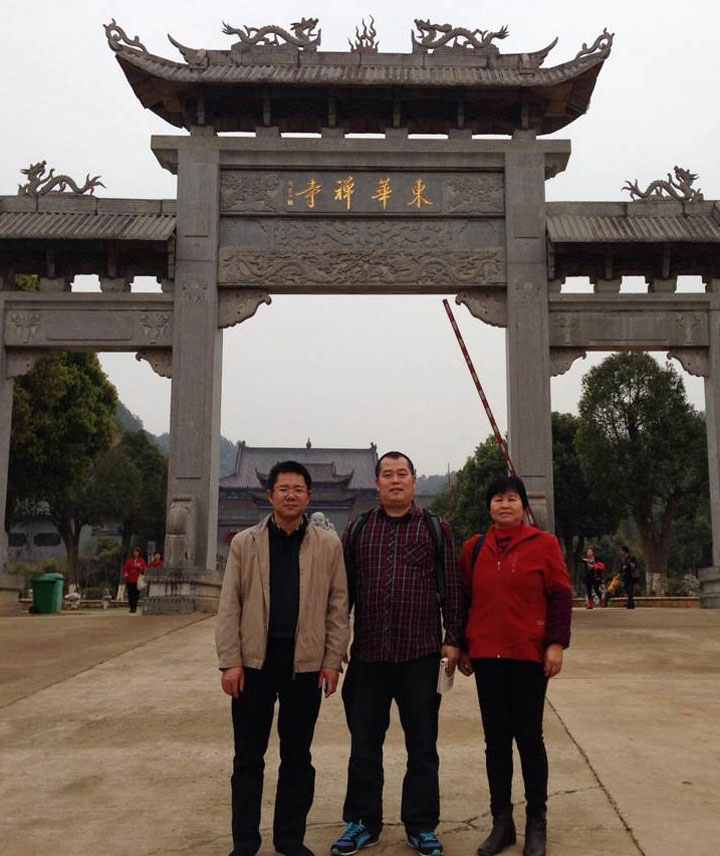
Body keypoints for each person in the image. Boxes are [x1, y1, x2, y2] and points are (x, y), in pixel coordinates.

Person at [331, 451, 463, 856]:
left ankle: (421, 826)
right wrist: (335, 642)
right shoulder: (358, 528)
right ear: (376, 483)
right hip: (369, 655)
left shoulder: (435, 528)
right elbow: (341, 594)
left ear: (413, 480)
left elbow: (453, 587)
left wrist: (453, 637)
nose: (394, 480)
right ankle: (362, 822)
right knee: (364, 745)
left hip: (420, 656)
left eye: (401, 474)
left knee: (422, 746)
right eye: (387, 474)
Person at [216, 461, 349, 856]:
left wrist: (332, 660)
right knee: (247, 759)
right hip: (253, 665)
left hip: (304, 666)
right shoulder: (245, 543)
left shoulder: (328, 545)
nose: (291, 495)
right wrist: (230, 661)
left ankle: (290, 839)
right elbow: (229, 606)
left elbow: (338, 607)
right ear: (270, 494)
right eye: (284, 489)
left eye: (298, 489)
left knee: (297, 758)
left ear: (309, 496)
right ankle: (245, 843)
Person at [458, 475, 572, 856]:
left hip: (528, 656)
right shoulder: (473, 548)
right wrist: (464, 646)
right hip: (487, 657)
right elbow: (464, 599)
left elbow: (560, 596)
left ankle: (536, 822)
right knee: (495, 742)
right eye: (497, 499)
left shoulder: (544, 544)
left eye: (511, 498)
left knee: (529, 738)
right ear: (488, 506)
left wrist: (555, 644)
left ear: (523, 505)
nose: (504, 505)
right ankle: (501, 823)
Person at [122, 546, 146, 613]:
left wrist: (139, 567)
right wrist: (125, 573)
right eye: (134, 552)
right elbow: (125, 568)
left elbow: (144, 569)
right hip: (130, 579)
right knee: (130, 594)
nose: (135, 553)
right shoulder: (129, 560)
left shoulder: (141, 560)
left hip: (137, 580)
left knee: (136, 594)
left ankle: (134, 607)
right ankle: (131, 607)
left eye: (137, 552)